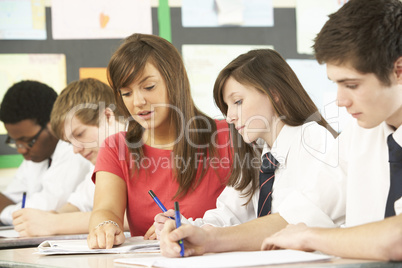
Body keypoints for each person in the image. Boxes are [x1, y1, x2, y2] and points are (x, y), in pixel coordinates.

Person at [158, 48, 341, 257]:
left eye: (237, 102)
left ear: (274, 94)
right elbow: (228, 216)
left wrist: (209, 239)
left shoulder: (314, 140)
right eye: (226, 106)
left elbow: (297, 220)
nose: (229, 117)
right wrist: (185, 229)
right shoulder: (259, 155)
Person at [260, 0, 402, 261]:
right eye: (336, 84)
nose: (340, 100)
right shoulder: (359, 135)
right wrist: (210, 240)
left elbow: (397, 238)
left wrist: (309, 237)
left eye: (352, 85)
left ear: (399, 70)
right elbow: (294, 217)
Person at [87, 33, 232, 249]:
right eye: (126, 93)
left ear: (174, 81)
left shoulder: (226, 137)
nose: (138, 102)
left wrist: (187, 229)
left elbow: (247, 215)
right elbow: (106, 210)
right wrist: (106, 226)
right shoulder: (116, 147)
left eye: (149, 87)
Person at [10, 78, 127, 236]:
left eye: (80, 134)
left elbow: (137, 216)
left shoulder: (143, 147)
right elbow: (79, 203)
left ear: (107, 116)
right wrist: (51, 216)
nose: (76, 150)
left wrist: (55, 223)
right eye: (69, 142)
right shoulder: (102, 160)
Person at [0, 80, 92, 226]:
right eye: (15, 141)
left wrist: (7, 212)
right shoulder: (36, 156)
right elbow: (11, 197)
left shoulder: (75, 149)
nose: (21, 150)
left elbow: (48, 208)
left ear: (51, 124)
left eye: (28, 141)